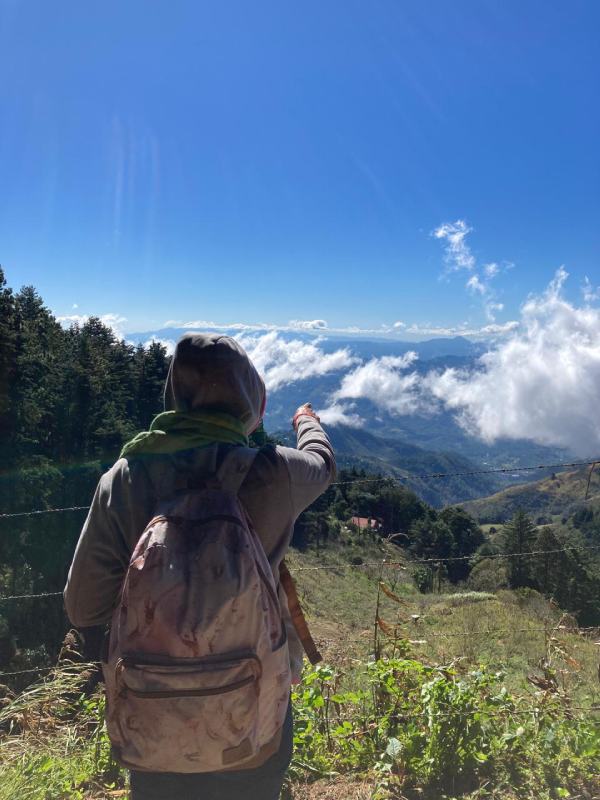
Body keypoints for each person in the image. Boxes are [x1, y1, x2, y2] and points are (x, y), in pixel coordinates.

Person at [64, 332, 335, 800]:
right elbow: (324, 463)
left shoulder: (124, 479)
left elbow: (83, 606)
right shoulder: (274, 473)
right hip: (253, 715)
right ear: (249, 399)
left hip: (153, 717)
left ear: (175, 395)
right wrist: (306, 421)